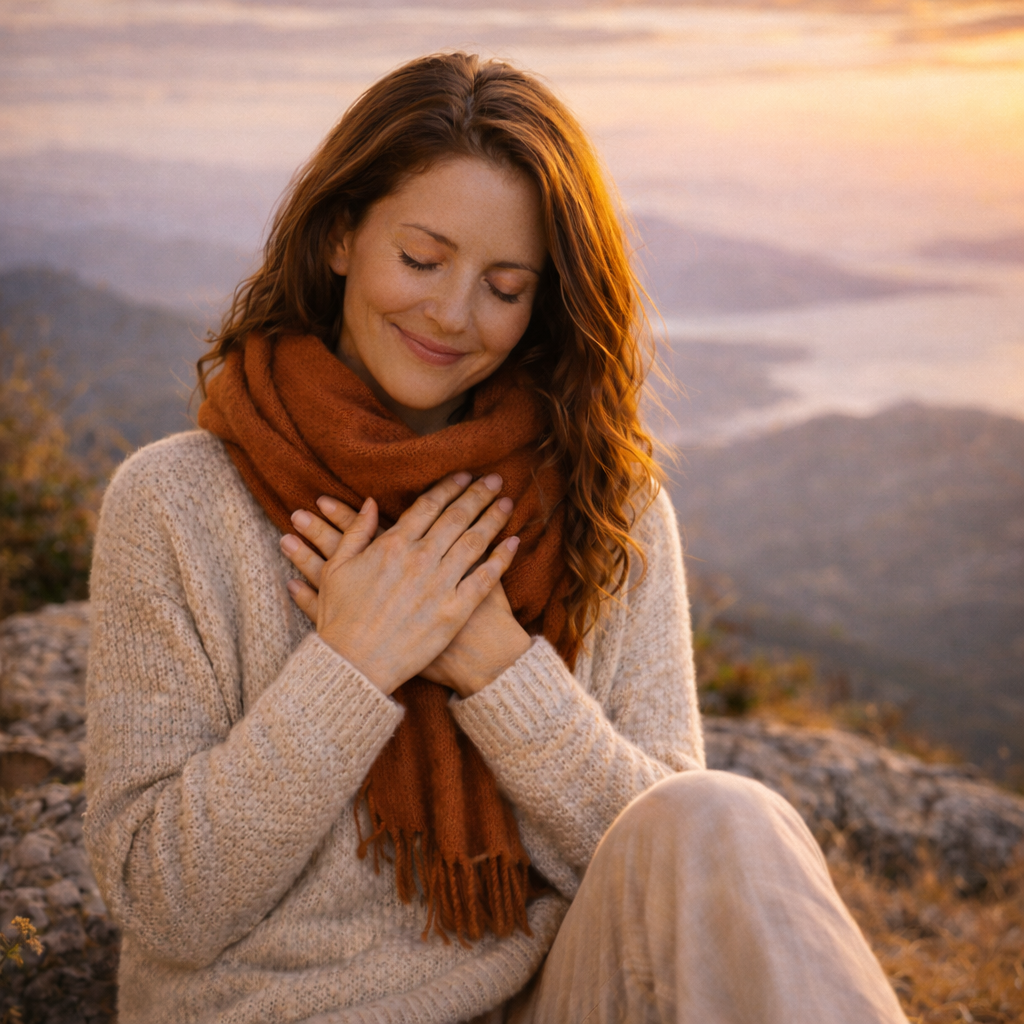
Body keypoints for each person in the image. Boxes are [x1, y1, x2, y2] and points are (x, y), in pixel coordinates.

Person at [84, 52, 909, 1024]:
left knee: (720, 814)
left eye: (505, 287)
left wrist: (498, 665)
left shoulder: (607, 505)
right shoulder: (178, 502)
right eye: (421, 259)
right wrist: (352, 663)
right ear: (343, 233)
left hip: (542, 1003)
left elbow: (671, 877)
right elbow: (162, 903)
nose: (451, 313)